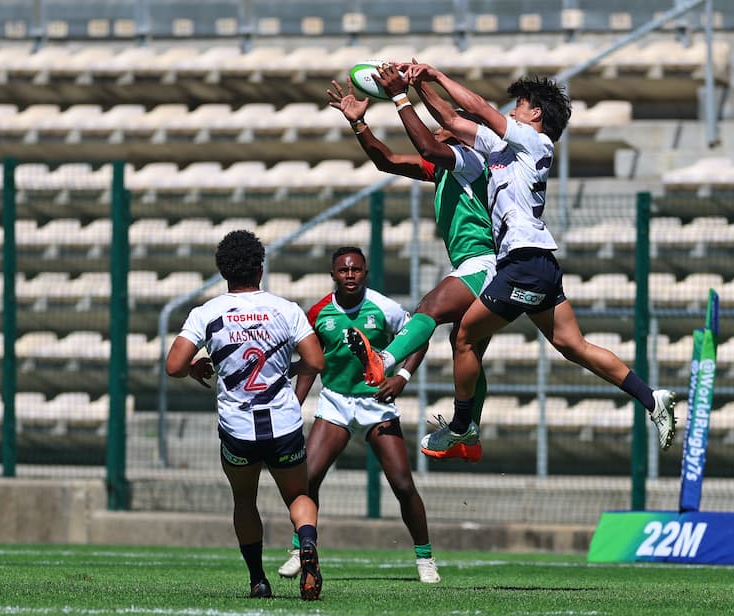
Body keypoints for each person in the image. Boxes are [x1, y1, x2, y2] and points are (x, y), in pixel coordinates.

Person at [390, 62, 678, 456]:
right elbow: (452, 119)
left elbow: (477, 107)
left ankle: (461, 426)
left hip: (523, 263)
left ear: (535, 115)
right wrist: (417, 85)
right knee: (573, 345)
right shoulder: (502, 150)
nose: (511, 112)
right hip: (537, 264)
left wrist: (436, 76)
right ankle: (651, 398)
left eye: (519, 106)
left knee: (464, 337)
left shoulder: (534, 142)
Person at [326, 71, 494, 462]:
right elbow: (386, 161)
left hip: (487, 262)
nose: (438, 130)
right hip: (480, 264)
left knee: (429, 308)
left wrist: (402, 97)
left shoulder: (470, 159)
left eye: (446, 125)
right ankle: (468, 432)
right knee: (463, 346)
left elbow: (430, 149)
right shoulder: (446, 168)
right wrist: (359, 123)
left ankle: (383, 359)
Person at [165, 229, 324, 601]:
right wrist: (288, 372)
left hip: (238, 429)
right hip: (283, 423)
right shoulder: (286, 309)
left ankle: (258, 579)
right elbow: (316, 362)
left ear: (223, 271)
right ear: (260, 268)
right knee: (298, 495)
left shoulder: (207, 313)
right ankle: (307, 545)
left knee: (244, 500)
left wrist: (193, 368)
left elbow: (173, 365)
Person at [276, 246, 441, 584]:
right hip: (336, 402)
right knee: (308, 478)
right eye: (343, 270)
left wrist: (402, 377)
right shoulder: (319, 312)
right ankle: (299, 549)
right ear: (333, 274)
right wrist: (295, 404)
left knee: (402, 484)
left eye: (356, 269)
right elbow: (311, 362)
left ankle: (425, 558)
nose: (350, 275)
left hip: (376, 404)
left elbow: (420, 336)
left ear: (365, 273)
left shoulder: (383, 307)